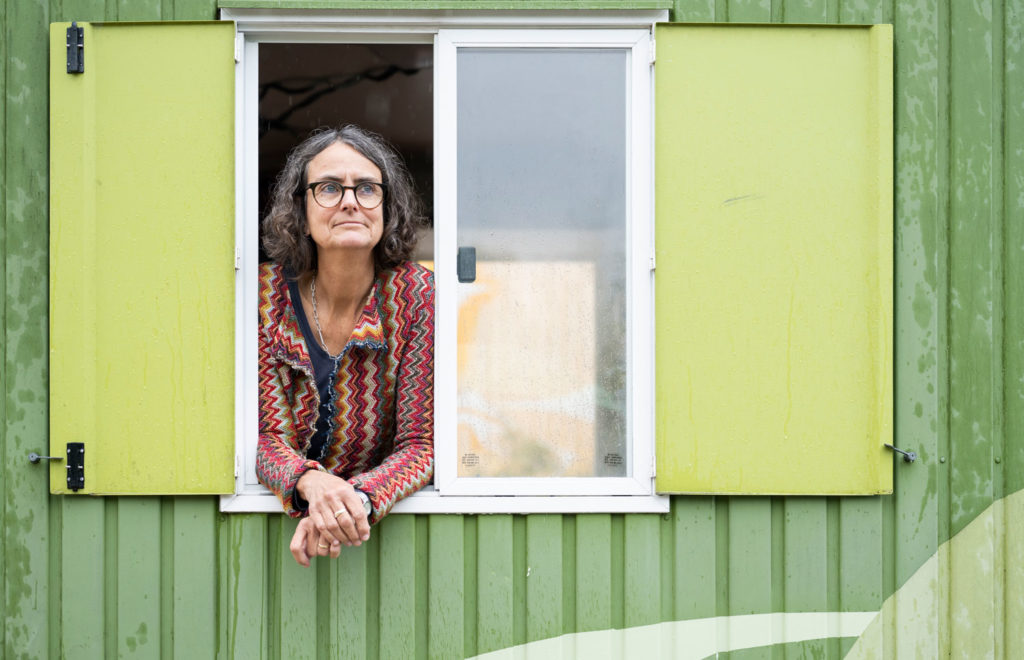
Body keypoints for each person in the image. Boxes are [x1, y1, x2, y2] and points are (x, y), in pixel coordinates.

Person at [257, 125, 433, 567]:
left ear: (387, 207)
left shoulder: (417, 296)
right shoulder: (261, 296)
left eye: (368, 188)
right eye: (330, 188)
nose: (351, 201)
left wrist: (350, 502)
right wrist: (311, 484)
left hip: (381, 551)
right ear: (300, 208)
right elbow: (262, 436)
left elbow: (420, 444)